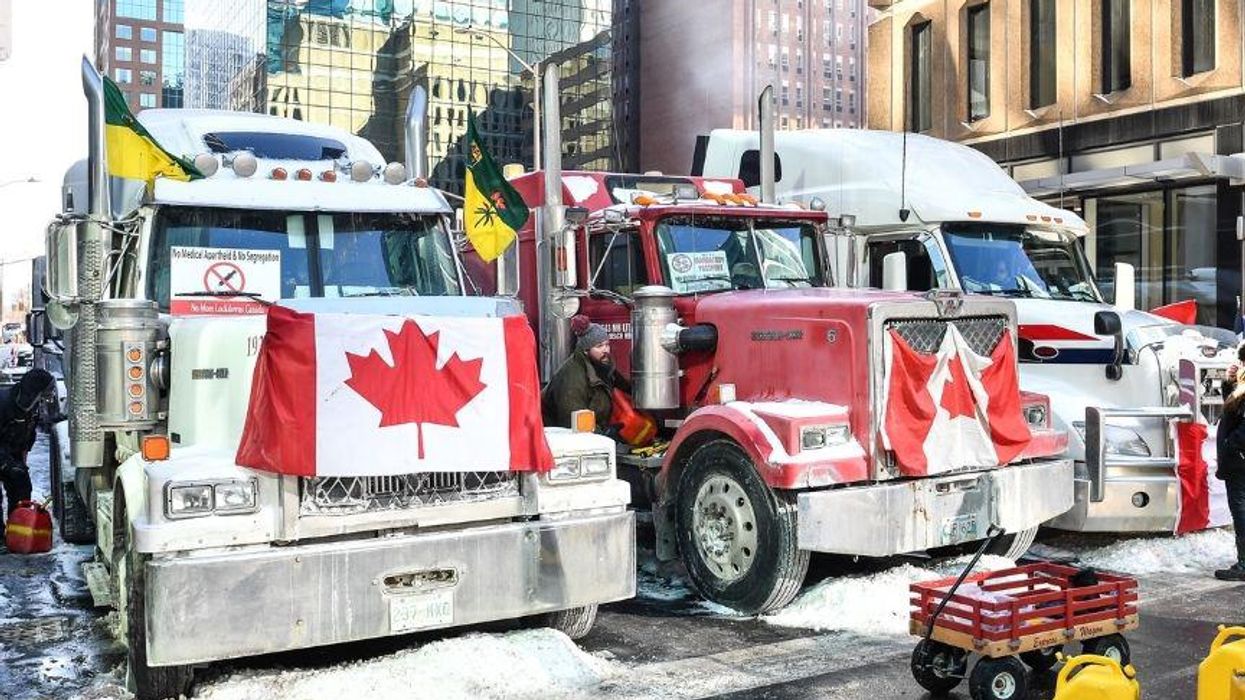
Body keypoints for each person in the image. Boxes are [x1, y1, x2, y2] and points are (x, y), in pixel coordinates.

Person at [542, 315, 631, 439]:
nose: (606, 350)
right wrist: (603, 435)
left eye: (607, 344)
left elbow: (626, 386)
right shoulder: (572, 378)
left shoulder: (602, 365)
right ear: (585, 350)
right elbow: (573, 422)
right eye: (599, 346)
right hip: (561, 441)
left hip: (590, 434)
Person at [0, 369, 54, 522]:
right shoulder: (3, 403)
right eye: (42, 395)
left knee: (22, 488)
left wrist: (21, 461)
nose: (43, 400)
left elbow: (28, 435)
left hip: (13, 452)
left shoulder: (32, 409)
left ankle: (16, 529)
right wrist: (5, 464)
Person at [1215, 349, 1245, 581]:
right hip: (1237, 458)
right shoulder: (1241, 387)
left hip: (1240, 461)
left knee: (1241, 510)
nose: (1240, 364)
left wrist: (1229, 445)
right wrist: (1230, 384)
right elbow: (1233, 412)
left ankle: (1244, 564)